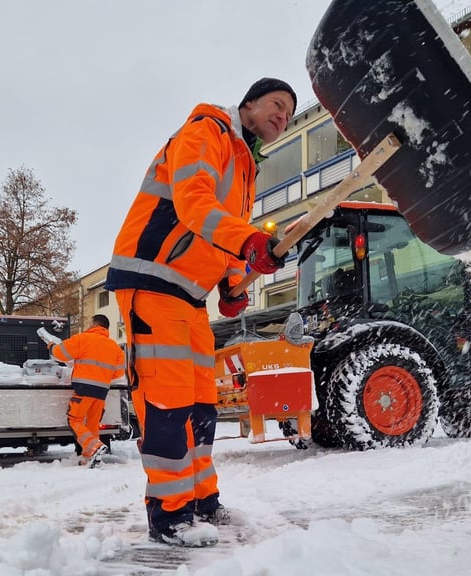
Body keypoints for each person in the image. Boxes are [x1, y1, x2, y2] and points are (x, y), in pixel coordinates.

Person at [105, 77, 295, 546]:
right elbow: (195, 205)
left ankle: (201, 500)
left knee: (201, 406)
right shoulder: (206, 131)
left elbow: (220, 235)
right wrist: (248, 241)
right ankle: (169, 516)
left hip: (189, 296)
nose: (283, 116)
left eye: (290, 114)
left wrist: (232, 282)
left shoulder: (245, 165)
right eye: (276, 104)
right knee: (167, 402)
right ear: (248, 104)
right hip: (152, 281)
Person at [47, 314, 126, 468]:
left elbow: (60, 353)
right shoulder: (114, 347)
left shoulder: (83, 338)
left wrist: (51, 347)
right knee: (92, 423)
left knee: (74, 419)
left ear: (94, 324)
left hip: (84, 388)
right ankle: (89, 456)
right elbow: (118, 373)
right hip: (102, 390)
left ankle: (94, 446)